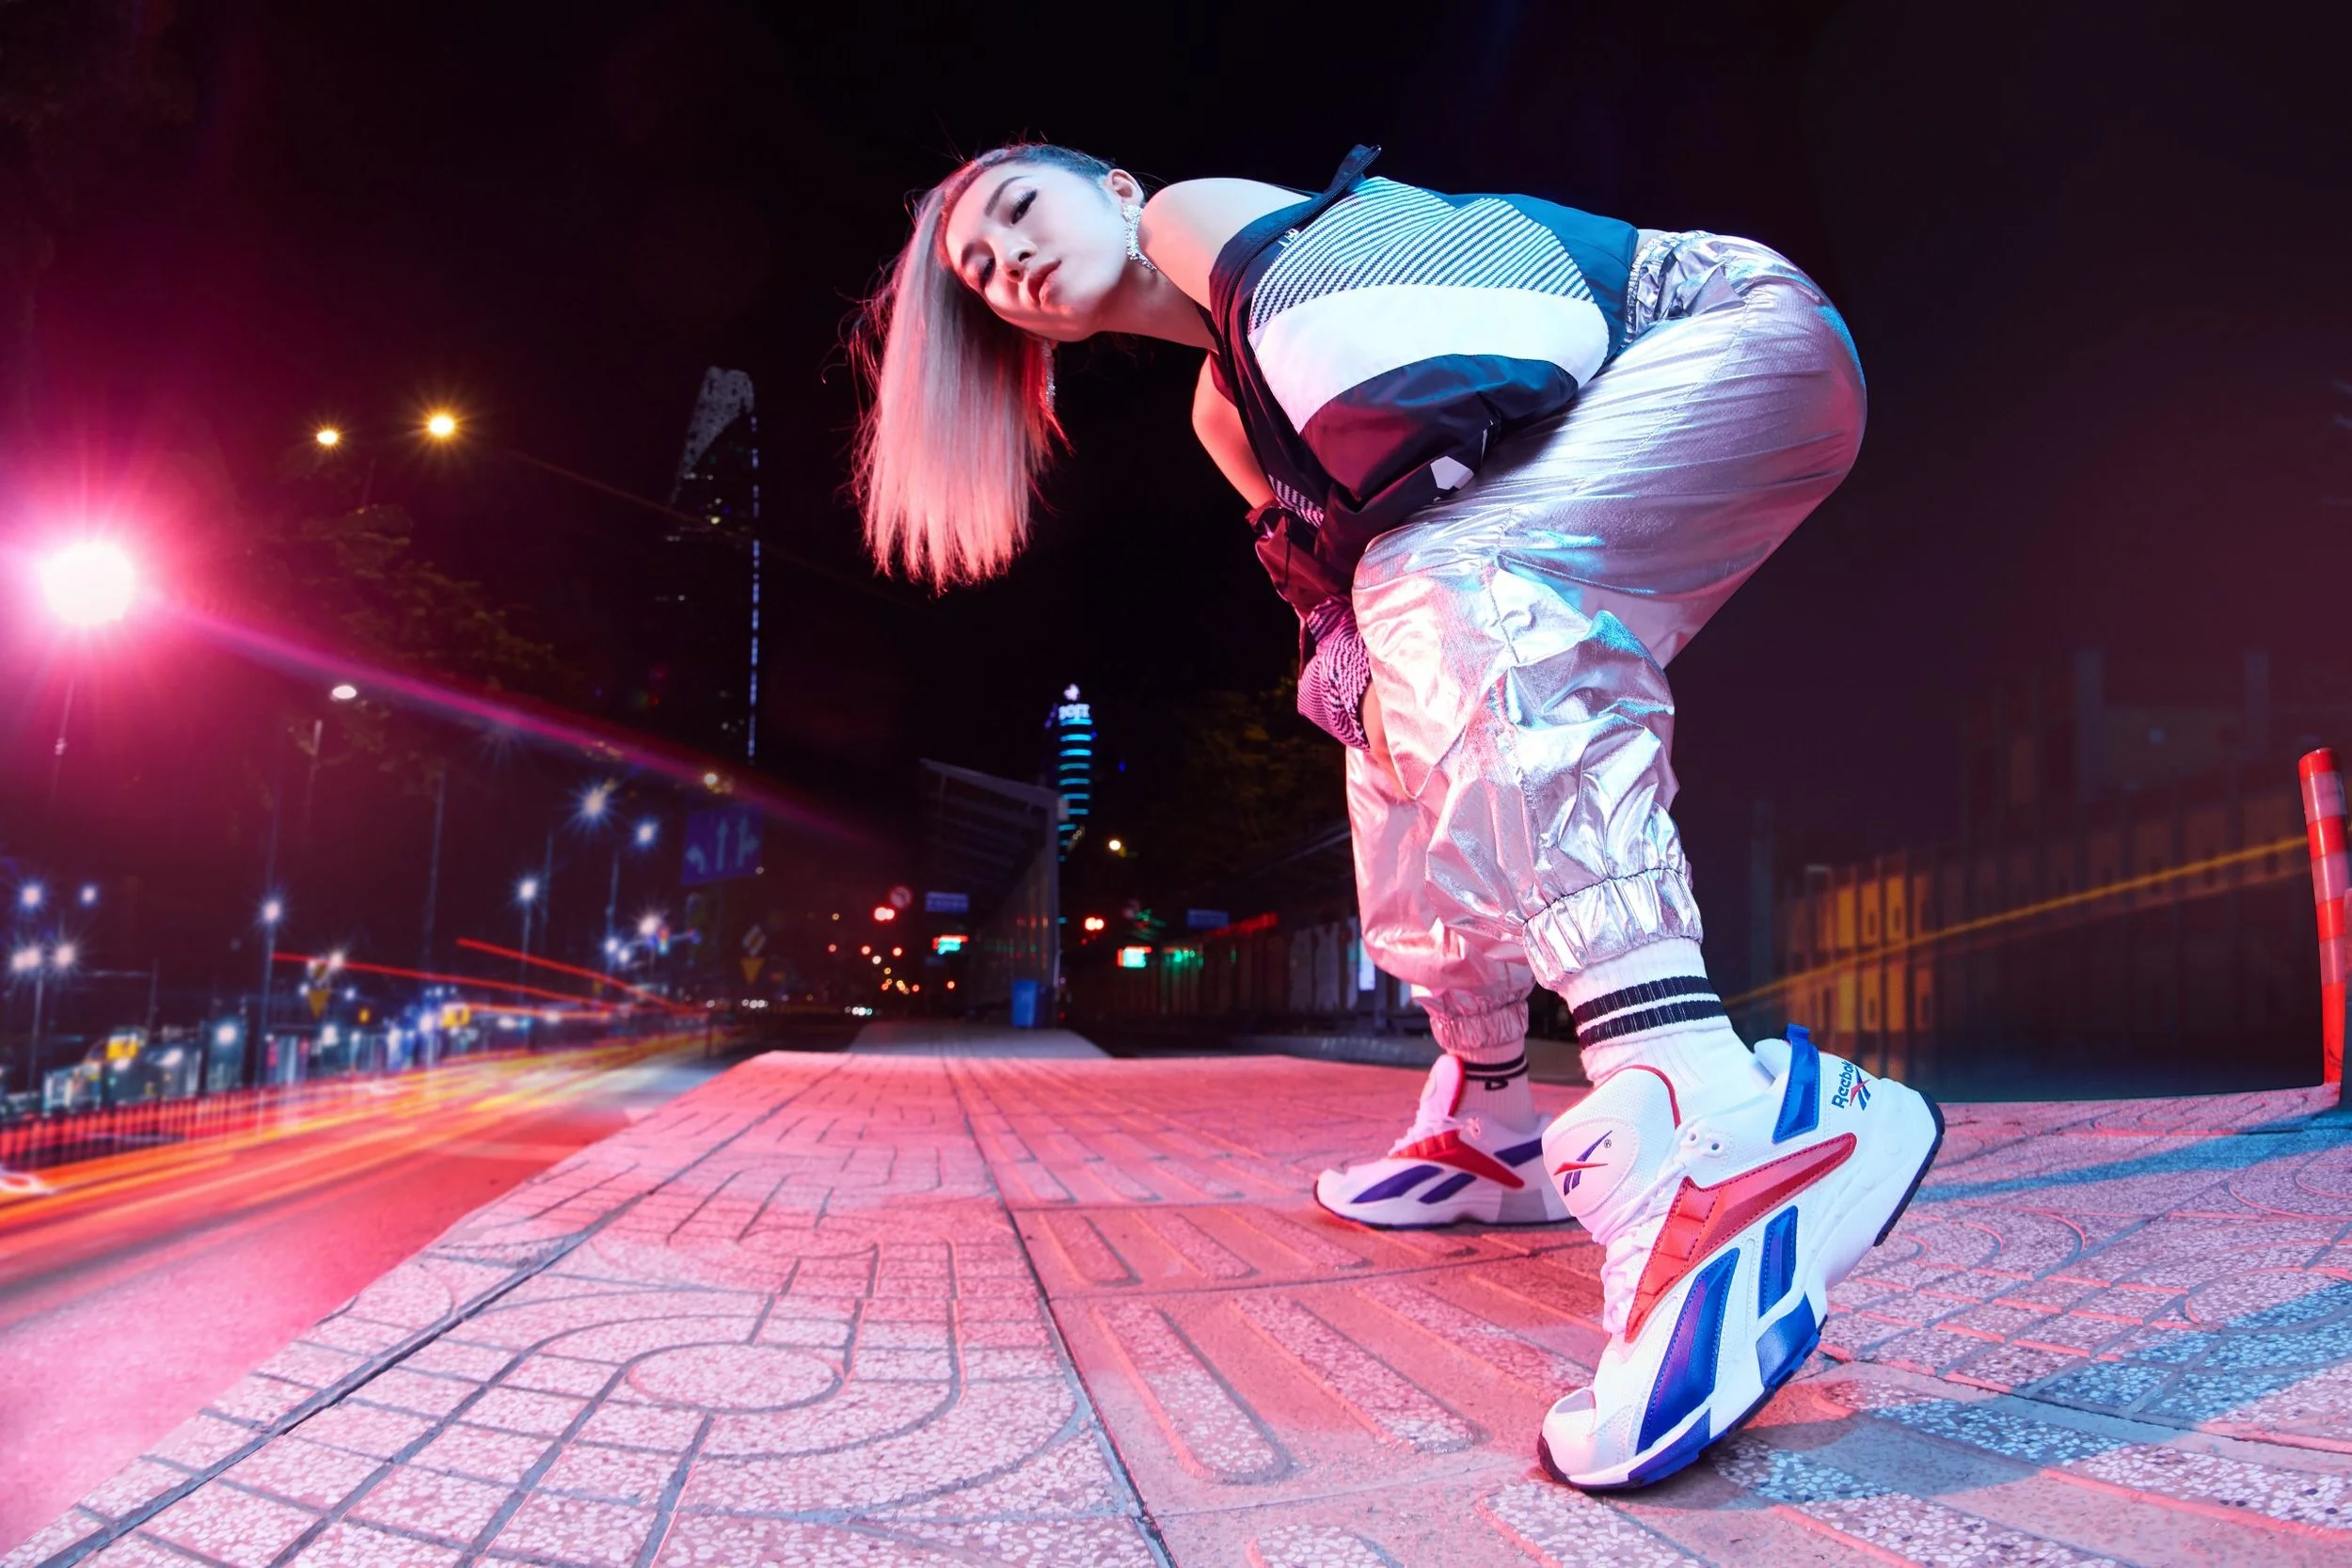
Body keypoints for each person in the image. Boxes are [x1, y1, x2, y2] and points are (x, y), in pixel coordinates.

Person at [851, 141, 1944, 1490]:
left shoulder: (1204, 217)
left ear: (1117, 191)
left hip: (1730, 334)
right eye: (981, 273)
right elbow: (1348, 589)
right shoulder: (1220, 410)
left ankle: (1717, 1118)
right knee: (1382, 706)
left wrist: (1384, 591)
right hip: (1616, 419)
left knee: (1452, 578)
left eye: (1018, 211)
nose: (1007, 259)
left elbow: (1430, 447)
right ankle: (1489, 1113)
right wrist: (1346, 639)